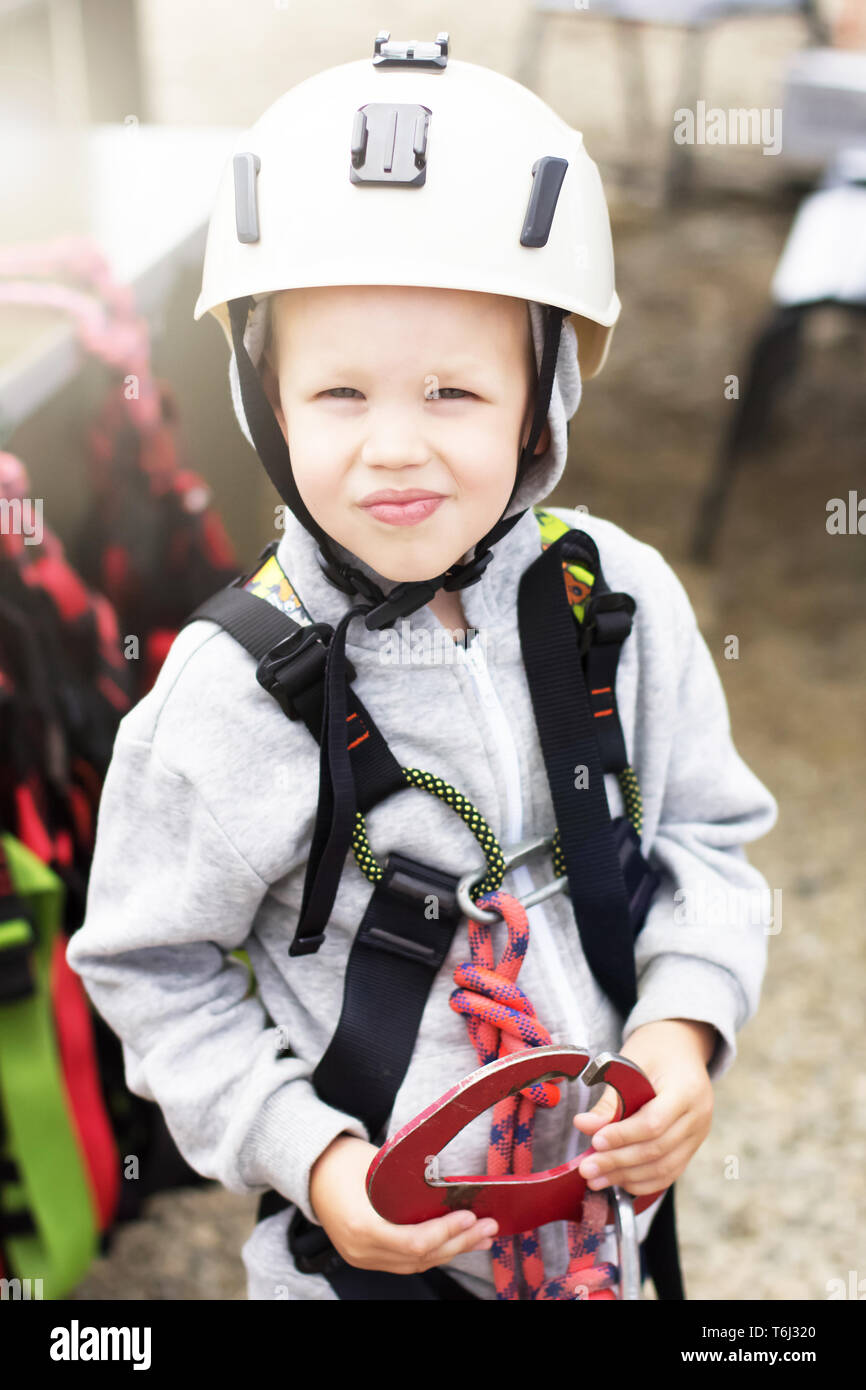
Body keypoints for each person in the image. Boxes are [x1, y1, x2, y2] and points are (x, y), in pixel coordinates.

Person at [66, 34, 778, 1301]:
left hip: (601, 1239)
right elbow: (149, 968)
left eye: (453, 390)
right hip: (366, 1269)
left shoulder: (613, 608)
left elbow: (709, 845)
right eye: (339, 392)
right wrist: (317, 1160)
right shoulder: (224, 702)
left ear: (541, 398)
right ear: (266, 402)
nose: (395, 448)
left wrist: (681, 1025)